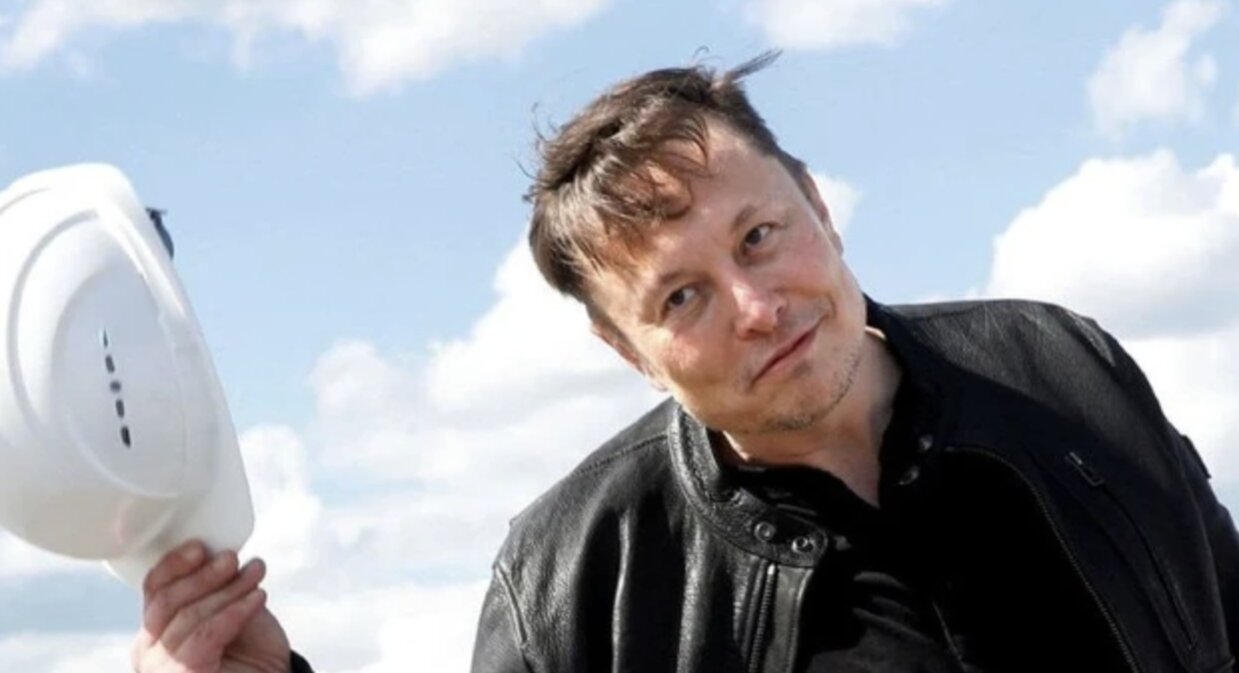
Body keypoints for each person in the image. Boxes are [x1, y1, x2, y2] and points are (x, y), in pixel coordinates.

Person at [132, 53, 1238, 673]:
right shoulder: (574, 576)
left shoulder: (1062, 365)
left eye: (759, 236)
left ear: (818, 206)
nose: (757, 308)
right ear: (626, 350)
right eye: (681, 296)